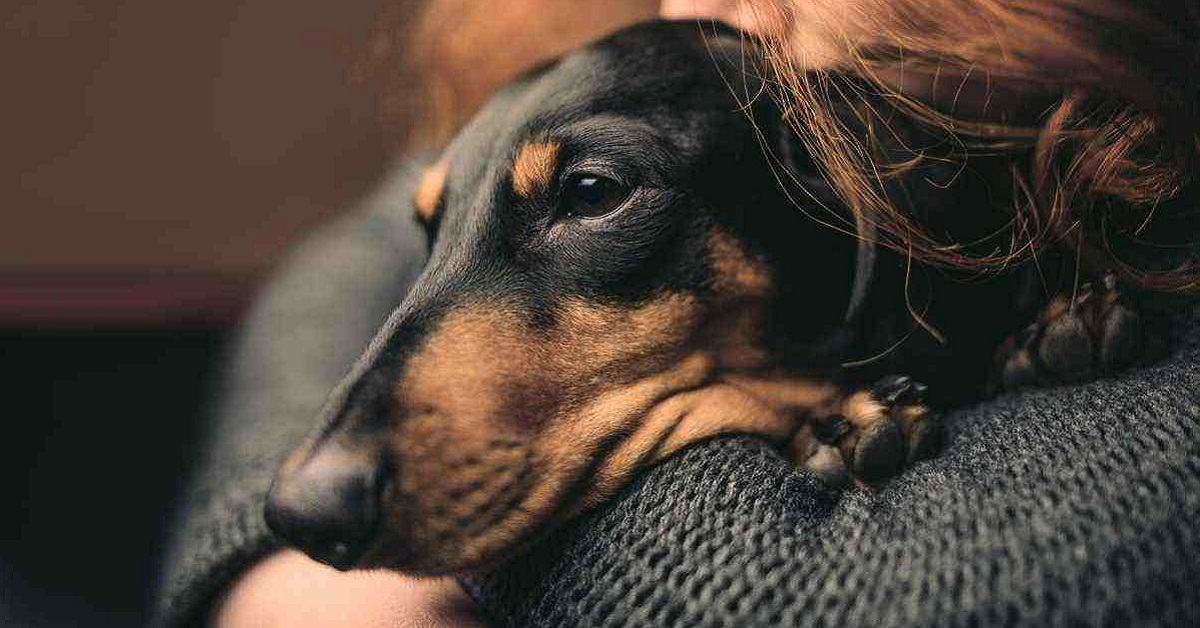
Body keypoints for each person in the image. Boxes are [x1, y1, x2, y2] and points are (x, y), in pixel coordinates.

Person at [157, 1, 1200, 626]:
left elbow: (850, 594)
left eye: (590, 196)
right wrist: (281, 563)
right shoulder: (693, 81)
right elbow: (369, 239)